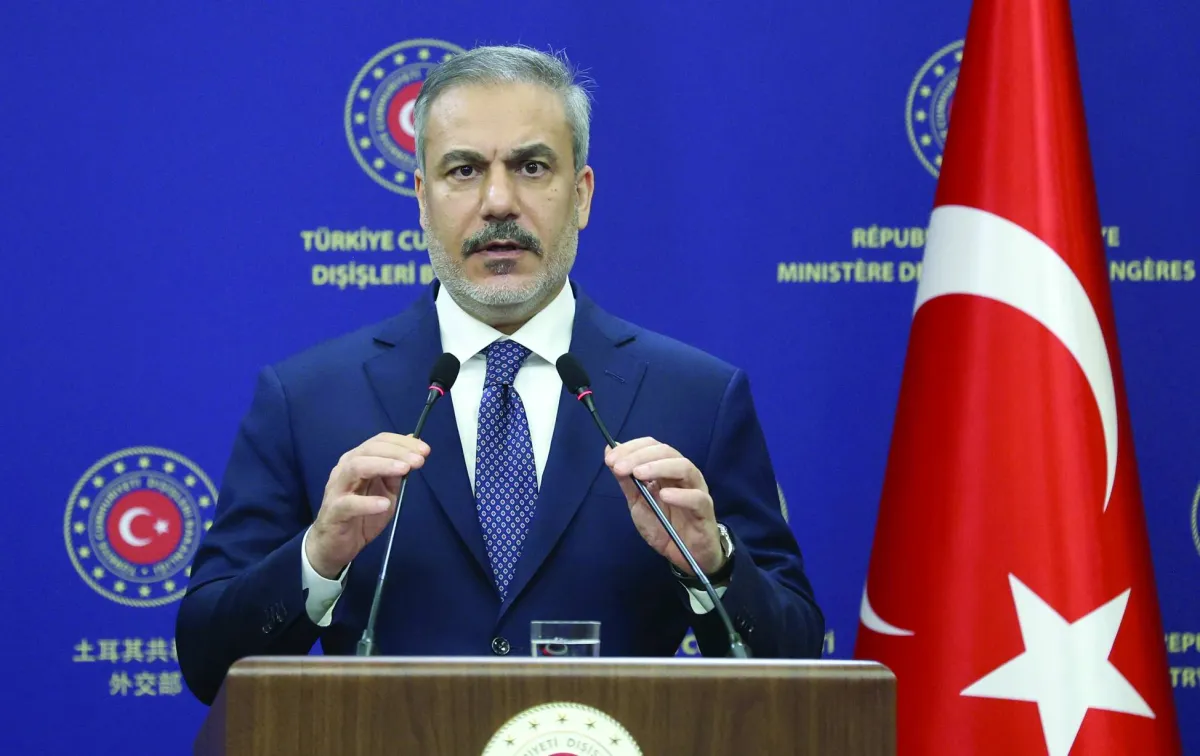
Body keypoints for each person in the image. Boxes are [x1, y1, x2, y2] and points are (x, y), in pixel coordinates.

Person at [176, 44, 824, 706]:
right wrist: (316, 558)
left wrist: (712, 563)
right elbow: (206, 662)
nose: (498, 202)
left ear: (581, 195)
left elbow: (798, 669)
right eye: (464, 170)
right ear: (422, 200)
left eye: (531, 167)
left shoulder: (697, 396)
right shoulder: (307, 399)